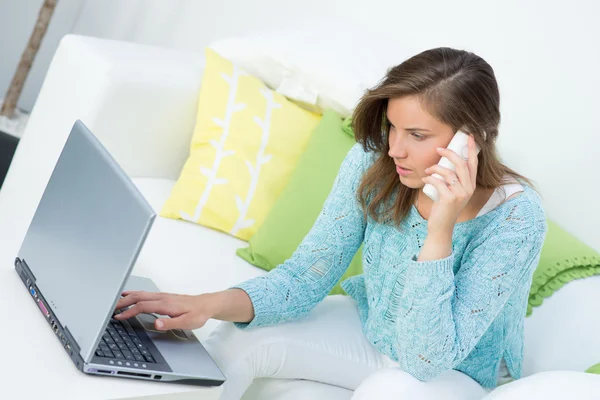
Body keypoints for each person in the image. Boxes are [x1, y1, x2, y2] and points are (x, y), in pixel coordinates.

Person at [114, 47, 548, 399]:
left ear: (471, 139)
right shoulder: (374, 160)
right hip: (374, 329)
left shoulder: (516, 217)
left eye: (416, 135)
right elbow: (306, 275)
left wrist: (441, 228)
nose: (395, 148)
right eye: (393, 126)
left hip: (455, 370)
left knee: (389, 391)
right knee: (235, 340)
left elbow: (425, 360)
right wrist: (205, 304)